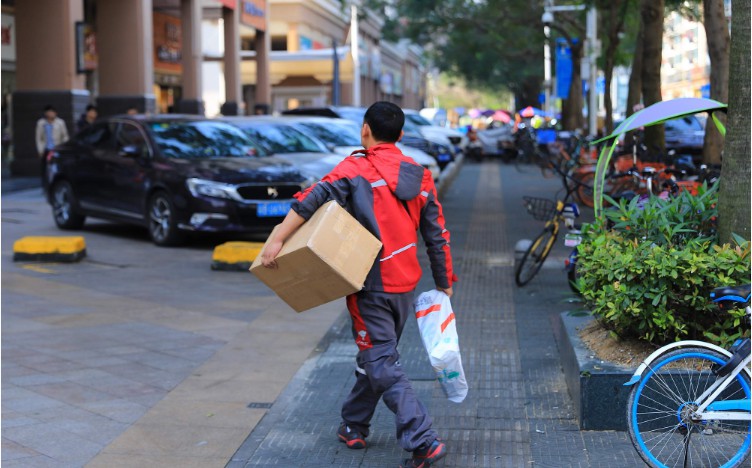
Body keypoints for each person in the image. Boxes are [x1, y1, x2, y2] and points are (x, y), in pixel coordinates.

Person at [261, 101, 456, 467]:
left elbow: (311, 198)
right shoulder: (421, 176)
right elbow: (437, 234)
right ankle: (353, 425)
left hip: (368, 284)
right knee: (377, 356)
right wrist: (444, 281)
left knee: (380, 360)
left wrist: (277, 238)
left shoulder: (356, 167)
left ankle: (422, 438)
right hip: (404, 285)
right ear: (400, 135)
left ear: (365, 129)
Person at [35, 105, 69, 182]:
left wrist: (63, 147)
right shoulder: (41, 123)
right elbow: (38, 138)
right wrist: (40, 150)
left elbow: (65, 136)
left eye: (52, 112)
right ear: (46, 113)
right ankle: (46, 184)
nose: (51, 114)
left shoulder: (60, 122)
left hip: (57, 148)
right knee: (45, 168)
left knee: (57, 167)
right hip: (46, 149)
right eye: (49, 112)